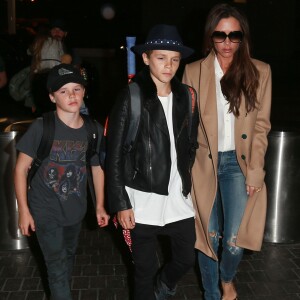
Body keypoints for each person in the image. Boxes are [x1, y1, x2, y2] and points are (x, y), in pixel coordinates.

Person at [182, 3, 272, 300]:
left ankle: (227, 278)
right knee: (208, 238)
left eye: (234, 35)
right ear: (211, 37)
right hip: (202, 165)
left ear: (243, 37)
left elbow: (261, 127)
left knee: (234, 240)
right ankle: (211, 295)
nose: (227, 43)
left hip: (238, 164)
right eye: (220, 35)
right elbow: (184, 124)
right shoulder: (193, 71)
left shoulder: (260, 71)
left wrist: (256, 170)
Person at [106, 24, 199, 300]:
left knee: (185, 259)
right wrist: (121, 204)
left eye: (174, 59)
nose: (169, 65)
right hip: (140, 202)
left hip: (177, 201)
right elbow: (114, 156)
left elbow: (190, 145)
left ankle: (165, 284)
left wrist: (185, 181)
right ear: (146, 58)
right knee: (143, 272)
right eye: (161, 57)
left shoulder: (187, 97)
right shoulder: (131, 97)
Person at [14, 63, 110, 300]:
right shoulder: (42, 127)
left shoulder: (93, 129)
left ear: (84, 91)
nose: (71, 95)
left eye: (76, 89)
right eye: (63, 91)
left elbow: (97, 167)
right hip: (44, 209)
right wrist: (24, 211)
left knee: (67, 258)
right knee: (56, 265)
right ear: (52, 96)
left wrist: (99, 205)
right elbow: (20, 169)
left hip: (75, 209)